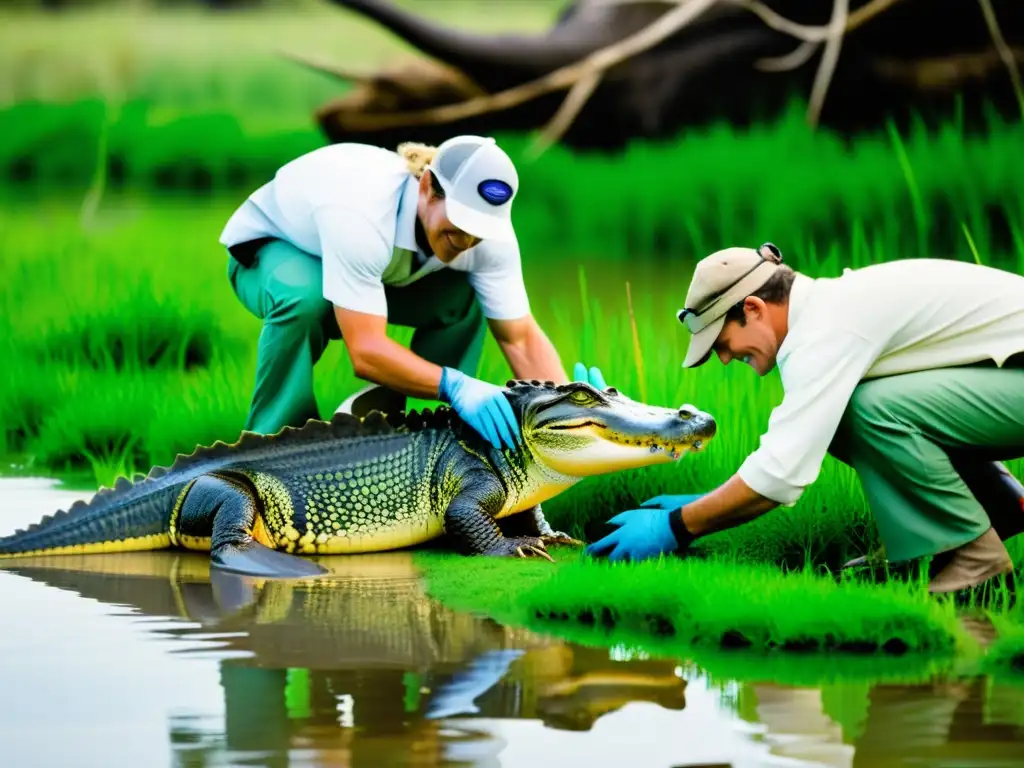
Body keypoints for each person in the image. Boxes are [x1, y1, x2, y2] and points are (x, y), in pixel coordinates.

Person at [586, 242, 1024, 599]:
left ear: (753, 308)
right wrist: (709, 499)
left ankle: (974, 560)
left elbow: (779, 476)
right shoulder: (835, 308)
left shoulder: (824, 332)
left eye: (721, 340)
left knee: (868, 409)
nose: (723, 357)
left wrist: (677, 525)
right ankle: (990, 508)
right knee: (855, 407)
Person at [219, 134, 606, 449]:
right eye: (458, 222)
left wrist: (571, 412)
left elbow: (520, 338)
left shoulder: (487, 239)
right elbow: (365, 351)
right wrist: (455, 385)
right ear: (427, 189)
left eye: (478, 229)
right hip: (274, 250)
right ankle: (275, 447)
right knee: (308, 300)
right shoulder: (363, 214)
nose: (467, 238)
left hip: (378, 272)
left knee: (465, 299)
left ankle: (435, 440)